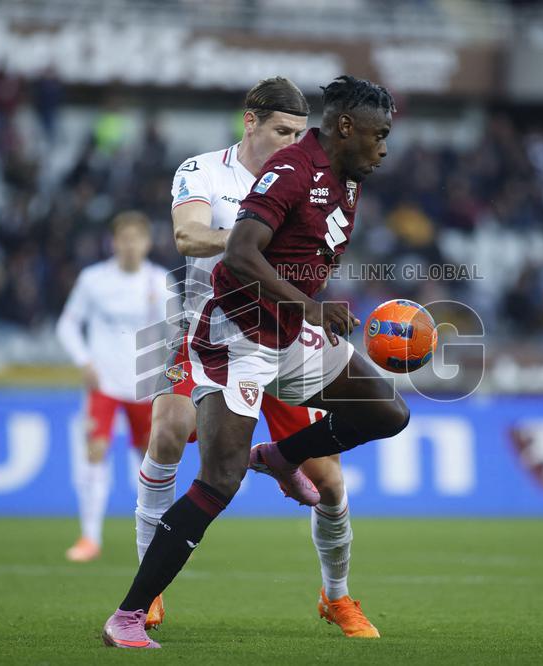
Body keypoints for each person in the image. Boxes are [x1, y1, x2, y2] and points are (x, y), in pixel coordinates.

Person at [102, 75, 408, 650]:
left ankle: (285, 471)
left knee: (383, 418)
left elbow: (298, 255)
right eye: (379, 135)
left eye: (297, 130)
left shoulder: (344, 176)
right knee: (209, 468)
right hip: (230, 333)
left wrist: (305, 311)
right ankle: (132, 611)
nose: (384, 148)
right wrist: (311, 308)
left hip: (286, 332)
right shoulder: (273, 172)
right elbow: (229, 250)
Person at [57, 211, 175, 562]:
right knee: (95, 450)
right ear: (113, 242)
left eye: (136, 238)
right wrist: (84, 361)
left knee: (151, 461)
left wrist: (168, 375)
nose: (130, 245)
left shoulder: (160, 281)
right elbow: (66, 324)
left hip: (144, 384)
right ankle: (90, 537)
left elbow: (175, 335)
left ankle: (157, 534)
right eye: (123, 238)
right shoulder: (93, 280)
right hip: (104, 381)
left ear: (147, 243)